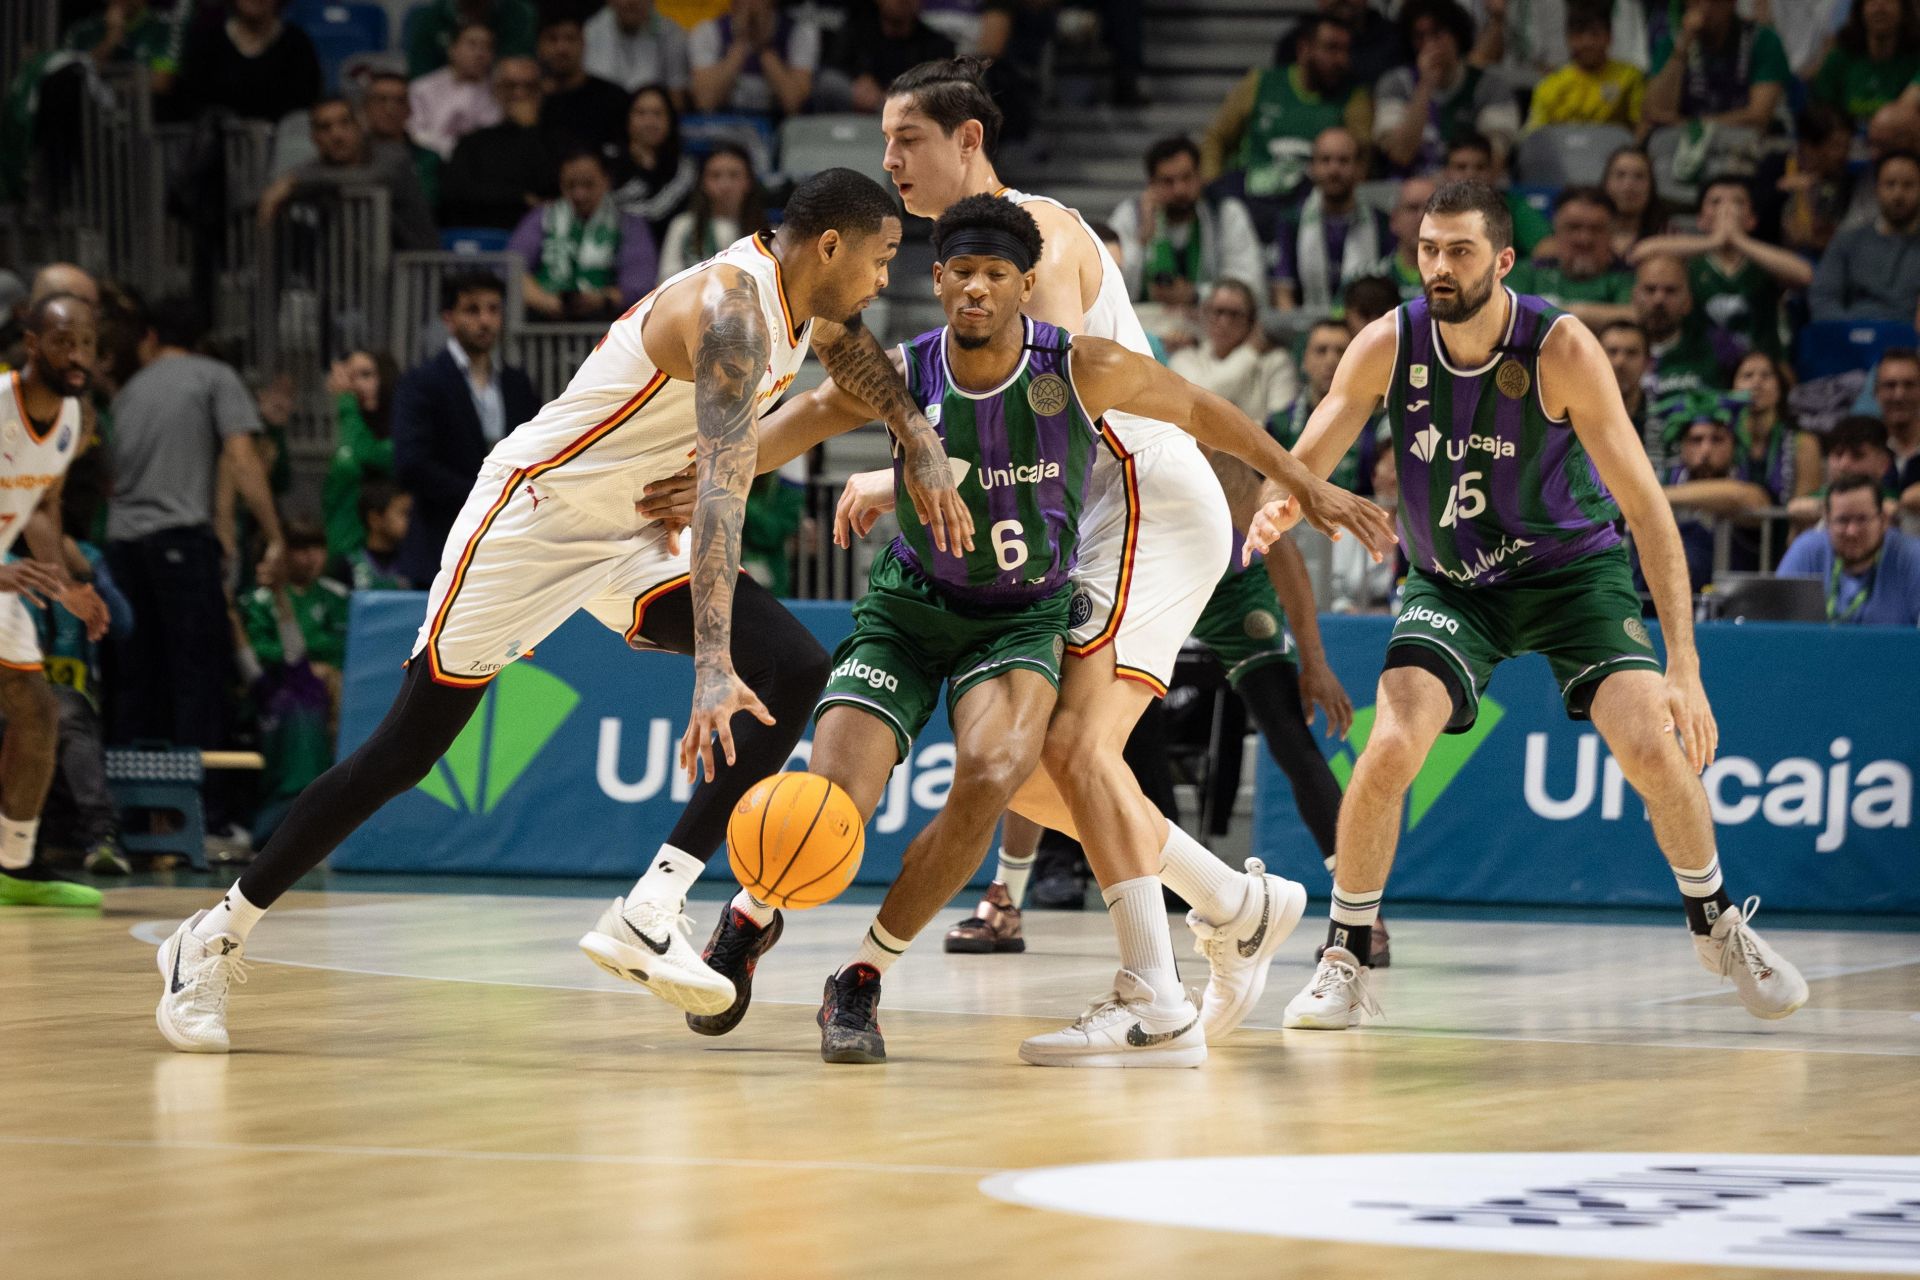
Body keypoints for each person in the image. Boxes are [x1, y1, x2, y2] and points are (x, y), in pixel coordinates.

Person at [153, 168, 969, 1054]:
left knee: (799, 665)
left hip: (631, 527)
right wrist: (706, 665)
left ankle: (651, 906)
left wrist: (919, 439)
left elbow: (852, 352)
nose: (887, 281)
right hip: (533, 520)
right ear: (830, 246)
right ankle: (214, 934)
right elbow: (724, 499)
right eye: (884, 259)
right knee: (404, 753)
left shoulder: (804, 296)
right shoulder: (733, 314)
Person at [771, 58, 1395, 1064]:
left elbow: (1041, 413)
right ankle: (1234, 904)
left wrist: (897, 478)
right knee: (1021, 765)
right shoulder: (982, 254)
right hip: (1101, 505)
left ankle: (1157, 986)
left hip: (1137, 496)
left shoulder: (1045, 237)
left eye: (908, 140)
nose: (888, 160)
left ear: (968, 141)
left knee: (1070, 748)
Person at [1240, 179, 1805, 1029]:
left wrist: (1684, 663)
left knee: (1655, 745)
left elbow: (1649, 509)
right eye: (1428, 248)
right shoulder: (1388, 342)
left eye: (1459, 251)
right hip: (1453, 585)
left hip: (1574, 576)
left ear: (1501, 260)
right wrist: (1281, 502)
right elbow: (1310, 452)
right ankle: (1345, 955)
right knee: (1389, 747)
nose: (1438, 266)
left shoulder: (1563, 349)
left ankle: (1717, 923)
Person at [105, 297, 283, 784]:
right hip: (180, 544)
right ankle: (200, 812)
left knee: (137, 679)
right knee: (197, 676)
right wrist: (274, 535)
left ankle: (132, 814)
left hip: (121, 550)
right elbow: (243, 457)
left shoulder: (125, 394)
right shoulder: (214, 377)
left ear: (150, 338)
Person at [0, 295, 111, 908]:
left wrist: (65, 584)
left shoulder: (75, 418)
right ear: (33, 343)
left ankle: (12, 868)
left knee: (38, 712)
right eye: (65, 341)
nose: (78, 355)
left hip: (6, 576)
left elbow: (42, 504)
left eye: (88, 343)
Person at [390, 272, 541, 586]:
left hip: (506, 541)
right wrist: (483, 492)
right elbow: (411, 464)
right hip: (440, 541)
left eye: (493, 309)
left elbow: (538, 450)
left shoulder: (517, 384)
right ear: (449, 318)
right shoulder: (423, 382)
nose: (485, 320)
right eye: (472, 310)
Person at [1202, 14, 1373, 210]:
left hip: (1312, 210)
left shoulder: (1354, 99)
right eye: (1331, 48)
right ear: (1303, 49)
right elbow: (1216, 138)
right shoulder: (1260, 83)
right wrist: (1212, 187)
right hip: (1250, 202)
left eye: (1345, 50)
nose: (1341, 60)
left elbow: (1361, 163)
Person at [1630, 175, 1811, 357]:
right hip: (1702, 366)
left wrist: (1738, 240)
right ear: (1701, 219)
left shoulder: (1764, 262)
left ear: (1751, 219)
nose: (1726, 209)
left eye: (1738, 202)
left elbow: (1804, 274)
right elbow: (1640, 253)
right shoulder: (1691, 263)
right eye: (1715, 202)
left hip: (1759, 367)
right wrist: (1715, 241)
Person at [257, 97, 438, 252]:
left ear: (360, 127)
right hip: (352, 280)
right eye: (325, 127)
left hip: (415, 275)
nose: (337, 135)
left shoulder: (394, 158)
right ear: (315, 138)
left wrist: (292, 182)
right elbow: (294, 180)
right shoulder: (319, 168)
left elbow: (371, 178)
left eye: (345, 123)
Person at [1108, 136, 1264, 308]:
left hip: (1211, 327)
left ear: (1199, 177)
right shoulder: (1129, 216)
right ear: (1151, 184)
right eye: (1168, 181)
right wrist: (1141, 240)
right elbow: (1108, 291)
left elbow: (1250, 284)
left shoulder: (1225, 213)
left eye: (1186, 178)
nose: (1179, 190)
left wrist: (1196, 294)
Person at [509, 149, 659, 322]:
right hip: (543, 320)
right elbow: (512, 266)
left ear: (606, 181)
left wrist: (604, 299)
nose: (579, 194)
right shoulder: (542, 217)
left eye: (588, 185)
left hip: (607, 324)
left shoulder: (629, 224)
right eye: (570, 185)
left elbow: (641, 284)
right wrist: (544, 300)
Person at [1374, 0, 1519, 175]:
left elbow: (1494, 163)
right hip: (1413, 193)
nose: (1429, 44)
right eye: (1419, 36)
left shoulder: (1490, 86)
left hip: (1470, 190)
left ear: (1456, 35)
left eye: (1437, 33)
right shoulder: (1395, 84)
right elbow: (1400, 154)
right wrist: (1425, 85)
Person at [1271, 126, 1392, 313]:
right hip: (1309, 330)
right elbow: (1283, 293)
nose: (1334, 169)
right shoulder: (1292, 220)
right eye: (1325, 160)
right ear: (1312, 167)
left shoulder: (1381, 222)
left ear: (1360, 168)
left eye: (1343, 161)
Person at [1777, 472, 1920, 623]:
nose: (1852, 531)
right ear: (1827, 521)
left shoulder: (1912, 557)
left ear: (1883, 520)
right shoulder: (1806, 551)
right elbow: (1775, 622)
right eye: (1842, 520)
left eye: (1862, 519)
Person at [437, 57, 560, 231]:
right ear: (496, 91)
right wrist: (520, 198)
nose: (519, 94)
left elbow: (551, 185)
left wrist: (529, 131)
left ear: (541, 92)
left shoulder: (558, 141)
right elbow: (456, 192)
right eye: (510, 86)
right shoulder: (473, 143)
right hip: (483, 237)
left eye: (530, 87)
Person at [1643, 0, 1791, 133]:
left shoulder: (1762, 40)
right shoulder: (1673, 44)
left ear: (1731, 3)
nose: (1704, 7)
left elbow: (1758, 116)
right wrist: (1683, 47)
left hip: (1742, 140)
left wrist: (1694, 126)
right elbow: (1655, 111)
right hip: (1681, 143)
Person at [173, 0, 322, 125]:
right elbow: (191, 101)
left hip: (281, 150)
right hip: (218, 150)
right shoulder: (208, 41)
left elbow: (307, 103)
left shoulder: (297, 43)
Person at [1811, 150, 1920, 320]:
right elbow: (1823, 296)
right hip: (1851, 335)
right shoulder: (1847, 241)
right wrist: (1847, 332)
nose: (1898, 194)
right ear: (1876, 188)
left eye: (1908, 185)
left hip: (1910, 339)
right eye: (1890, 184)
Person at [1507, 186, 1636, 329]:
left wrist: (1566, 313)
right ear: (1555, 229)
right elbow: (1508, 316)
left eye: (1596, 229)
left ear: (1612, 234)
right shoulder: (1526, 273)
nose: (1584, 239)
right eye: (1573, 227)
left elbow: (1635, 316)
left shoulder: (1627, 279)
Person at [1169, 281, 1296, 421]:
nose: (1224, 321)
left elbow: (1279, 427)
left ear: (1251, 321)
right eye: (1218, 312)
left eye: (1234, 314)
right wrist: (1249, 352)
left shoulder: (1277, 362)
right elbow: (1199, 403)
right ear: (1204, 314)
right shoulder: (1184, 359)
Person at [1633, 254, 1746, 407]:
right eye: (1650, 289)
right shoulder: (1611, 350)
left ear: (1688, 301)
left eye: (1670, 291)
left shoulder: (1717, 349)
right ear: (1634, 297)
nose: (1659, 299)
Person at [321, 350, 398, 564]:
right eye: (350, 377)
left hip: (383, 563)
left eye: (366, 375)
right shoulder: (349, 424)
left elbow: (367, 454)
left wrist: (345, 402)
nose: (354, 386)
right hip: (340, 554)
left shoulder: (400, 429)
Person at [1754, 103, 1858, 258]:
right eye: (1836, 146)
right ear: (1808, 146)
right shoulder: (1775, 166)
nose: (1844, 155)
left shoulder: (1846, 180)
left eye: (1847, 147)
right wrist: (1781, 190)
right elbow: (1755, 220)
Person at [688, 0, 819, 121]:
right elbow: (705, 102)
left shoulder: (800, 33)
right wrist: (741, 43)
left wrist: (763, 48)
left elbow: (794, 104)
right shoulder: (708, 31)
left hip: (779, 129)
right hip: (723, 128)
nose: (751, 3)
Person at [819, 0, 955, 114]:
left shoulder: (937, 45)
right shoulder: (856, 31)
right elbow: (833, 67)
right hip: (859, 102)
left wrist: (893, 97)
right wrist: (859, 79)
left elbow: (942, 90)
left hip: (907, 112)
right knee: (830, 83)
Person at [1524, 4, 1645, 130]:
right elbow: (1535, 136)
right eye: (1579, 34)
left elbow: (1640, 128)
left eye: (1595, 33)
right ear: (1568, 38)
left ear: (1609, 37)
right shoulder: (1548, 86)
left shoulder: (1630, 78)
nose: (1587, 42)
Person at [658, 145, 768, 281]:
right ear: (703, 183)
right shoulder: (683, 226)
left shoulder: (766, 234)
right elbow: (666, 281)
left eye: (734, 175)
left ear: (748, 182)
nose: (725, 185)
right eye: (715, 176)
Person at [535, 14, 629, 164]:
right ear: (539, 46)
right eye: (552, 39)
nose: (562, 48)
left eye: (570, 39)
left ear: (583, 43)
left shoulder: (613, 98)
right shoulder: (531, 102)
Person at [1731, 350, 1820, 506]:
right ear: (1733, 389)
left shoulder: (1804, 443)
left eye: (1766, 376)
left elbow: (1804, 512)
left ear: (1779, 389)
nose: (1756, 383)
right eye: (1747, 376)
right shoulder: (1720, 439)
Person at [1439, 133, 1552, 255]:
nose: (1471, 175)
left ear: (1493, 172)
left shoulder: (1514, 208)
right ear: (1446, 172)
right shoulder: (1430, 209)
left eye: (1480, 167)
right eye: (1461, 167)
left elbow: (1548, 248)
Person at [1810, 0, 1920, 123]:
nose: (1879, 8)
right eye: (1871, 2)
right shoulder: (1840, 58)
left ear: (1904, 10)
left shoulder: (1915, 60)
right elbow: (1821, 111)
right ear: (1860, 10)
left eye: (1888, 1)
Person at [611, 85, 696, 239]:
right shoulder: (609, 163)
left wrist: (647, 169)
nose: (649, 121)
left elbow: (672, 216)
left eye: (658, 113)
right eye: (640, 113)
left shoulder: (685, 168)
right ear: (627, 118)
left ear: (670, 120)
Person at [409, 22, 501, 161]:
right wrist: (453, 148)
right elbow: (417, 132)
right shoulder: (422, 88)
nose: (480, 53)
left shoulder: (499, 91)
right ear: (452, 49)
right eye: (472, 45)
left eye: (486, 47)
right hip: (435, 160)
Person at [359, 70, 441, 211]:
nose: (390, 109)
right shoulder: (351, 158)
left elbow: (426, 204)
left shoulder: (429, 160)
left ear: (410, 109)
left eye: (399, 100)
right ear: (366, 107)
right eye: (381, 99)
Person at [584, 0, 691, 97]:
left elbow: (676, 93)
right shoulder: (590, 32)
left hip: (649, 113)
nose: (631, 2)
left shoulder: (671, 34)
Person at [406, 0, 535, 78]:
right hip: (441, 100)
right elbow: (419, 76)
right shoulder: (432, 18)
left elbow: (522, 69)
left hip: (500, 97)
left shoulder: (517, 15)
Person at [334, 479, 413, 592]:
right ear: (375, 519)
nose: (409, 521)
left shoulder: (413, 565)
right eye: (403, 513)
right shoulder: (347, 565)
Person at [1601, 146, 1672, 259]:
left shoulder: (1667, 233)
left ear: (1651, 187)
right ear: (1606, 183)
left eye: (1639, 177)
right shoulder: (1587, 231)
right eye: (1620, 175)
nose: (1629, 186)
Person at [1599, 319, 1655, 451]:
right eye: (1612, 352)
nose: (1620, 362)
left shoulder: (1664, 416)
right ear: (1595, 358)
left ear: (1648, 363)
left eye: (1631, 353)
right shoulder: (1576, 416)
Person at [1380, 176, 1439, 300]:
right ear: (1393, 220)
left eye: (1431, 209)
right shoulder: (1372, 279)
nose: (1421, 217)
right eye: (1412, 208)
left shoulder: (1466, 280)